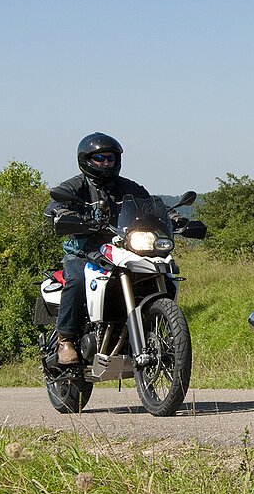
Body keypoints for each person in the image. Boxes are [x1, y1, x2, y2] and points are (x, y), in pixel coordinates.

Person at [44, 132, 184, 365]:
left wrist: (174, 217)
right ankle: (65, 340)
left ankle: (149, 330)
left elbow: (152, 205)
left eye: (110, 158)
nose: (106, 163)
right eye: (100, 158)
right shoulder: (74, 186)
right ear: (86, 160)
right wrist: (65, 215)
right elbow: (54, 207)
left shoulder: (128, 187)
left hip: (122, 249)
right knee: (77, 279)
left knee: (161, 272)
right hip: (83, 250)